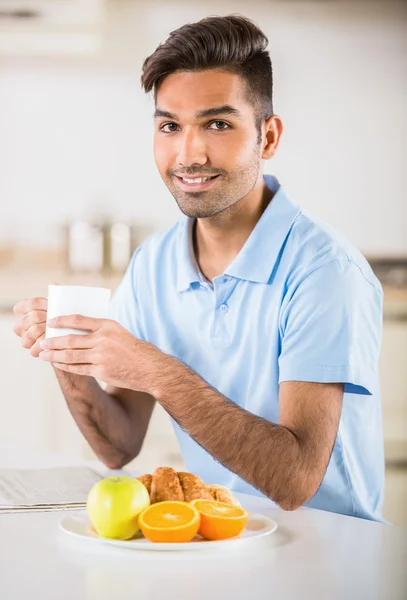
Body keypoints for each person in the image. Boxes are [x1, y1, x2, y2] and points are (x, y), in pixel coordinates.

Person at [13, 15, 385, 521]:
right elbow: (118, 446)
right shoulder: (154, 263)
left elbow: (295, 480)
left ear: (268, 137)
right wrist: (68, 354)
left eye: (217, 124)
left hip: (329, 560)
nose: (188, 153)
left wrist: (160, 373)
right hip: (216, 544)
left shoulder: (324, 272)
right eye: (170, 126)